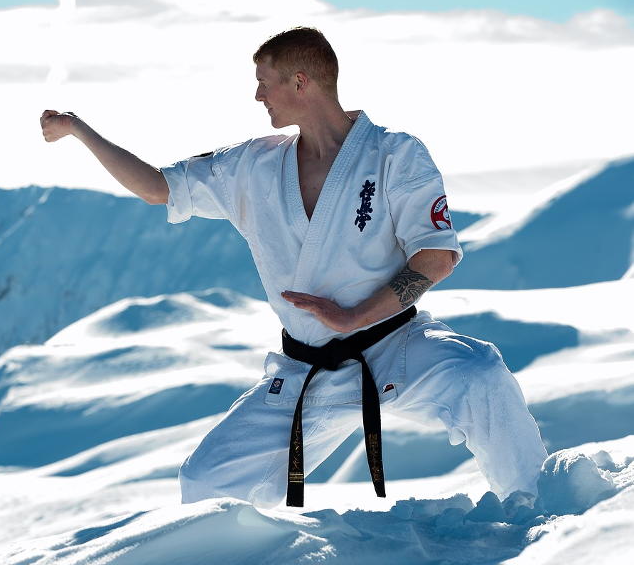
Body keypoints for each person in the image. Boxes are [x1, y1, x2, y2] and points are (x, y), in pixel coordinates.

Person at [40, 26, 548, 509]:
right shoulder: (251, 165)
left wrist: (357, 316)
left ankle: (544, 515)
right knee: (205, 482)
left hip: (396, 345)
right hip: (307, 368)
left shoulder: (395, 154)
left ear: (300, 82)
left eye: (263, 83)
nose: (258, 96)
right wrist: (80, 131)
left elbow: (435, 257)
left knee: (482, 376)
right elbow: (157, 187)